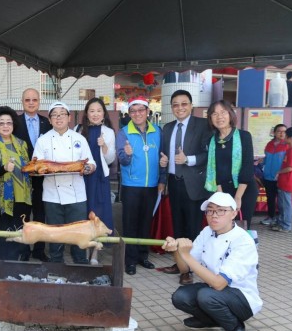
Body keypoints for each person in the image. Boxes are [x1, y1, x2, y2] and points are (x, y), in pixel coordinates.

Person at [163, 192, 262, 331]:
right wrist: (177, 251)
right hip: (215, 291)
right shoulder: (207, 232)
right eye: (210, 211)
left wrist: (186, 255)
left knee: (206, 296)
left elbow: (218, 283)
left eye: (220, 211)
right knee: (180, 297)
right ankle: (211, 320)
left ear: (234, 213)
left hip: (242, 297)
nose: (214, 216)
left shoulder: (243, 241)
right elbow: (184, 269)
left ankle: (236, 328)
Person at [159, 90, 213, 285]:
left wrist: (188, 159)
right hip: (174, 182)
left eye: (184, 104)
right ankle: (179, 263)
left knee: (192, 227)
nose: (180, 108)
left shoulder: (203, 125)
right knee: (178, 225)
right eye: (175, 104)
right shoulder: (167, 128)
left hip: (194, 184)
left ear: (191, 105)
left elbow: (209, 154)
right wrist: (163, 163)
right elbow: (163, 154)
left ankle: (189, 269)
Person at [33, 101, 96, 264]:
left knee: (78, 230)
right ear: (49, 119)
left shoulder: (79, 139)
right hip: (52, 195)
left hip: (77, 194)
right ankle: (56, 261)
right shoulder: (43, 141)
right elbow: (37, 166)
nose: (58, 117)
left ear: (69, 118)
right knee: (55, 232)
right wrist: (40, 169)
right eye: (54, 114)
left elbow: (91, 163)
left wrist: (88, 168)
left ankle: (80, 259)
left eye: (62, 114)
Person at [116, 97, 163, 275]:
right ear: (129, 114)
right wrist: (127, 155)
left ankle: (143, 256)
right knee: (130, 224)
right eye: (133, 111)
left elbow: (162, 158)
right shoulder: (123, 133)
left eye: (141, 110)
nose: (137, 114)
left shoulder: (157, 131)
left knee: (146, 222)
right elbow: (122, 160)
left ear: (147, 112)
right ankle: (130, 260)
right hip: (131, 186)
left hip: (151, 185)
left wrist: (162, 181)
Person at [0, 106, 32, 260]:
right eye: (1, 123)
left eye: (9, 123)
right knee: (6, 231)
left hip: (23, 195)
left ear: (14, 125)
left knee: (22, 229)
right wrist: (4, 168)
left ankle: (22, 262)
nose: (6, 126)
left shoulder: (22, 144)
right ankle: (5, 264)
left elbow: (28, 167)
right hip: (3, 198)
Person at [204, 100, 259, 230]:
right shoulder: (211, 141)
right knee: (222, 228)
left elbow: (247, 168)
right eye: (215, 114)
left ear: (230, 115)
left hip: (244, 191)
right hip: (221, 191)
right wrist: (220, 195)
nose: (219, 117)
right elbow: (213, 170)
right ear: (211, 118)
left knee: (241, 228)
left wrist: (237, 197)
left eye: (223, 112)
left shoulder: (244, 136)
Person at [13, 88, 53, 261]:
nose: (31, 102)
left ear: (39, 102)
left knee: (40, 214)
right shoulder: (14, 122)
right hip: (21, 177)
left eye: (34, 100)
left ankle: (39, 250)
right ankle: (22, 251)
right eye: (27, 99)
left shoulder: (48, 123)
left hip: (42, 178)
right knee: (22, 213)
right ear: (22, 102)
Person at [78, 97, 116, 232]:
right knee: (83, 208)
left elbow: (110, 159)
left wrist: (104, 146)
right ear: (87, 113)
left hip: (99, 176)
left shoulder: (109, 132)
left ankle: (97, 244)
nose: (95, 114)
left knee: (99, 209)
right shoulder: (79, 130)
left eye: (99, 111)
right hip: (82, 177)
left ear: (104, 113)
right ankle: (83, 243)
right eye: (92, 111)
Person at [271, 127, 292, 233]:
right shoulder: (290, 149)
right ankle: (281, 222)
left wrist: (278, 172)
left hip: (288, 182)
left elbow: (290, 168)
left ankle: (286, 225)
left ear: (290, 138)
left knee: (285, 205)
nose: (283, 136)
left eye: (286, 135)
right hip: (284, 181)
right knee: (282, 204)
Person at [258, 124, 288, 226]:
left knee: (281, 200)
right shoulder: (269, 144)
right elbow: (267, 158)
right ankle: (271, 217)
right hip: (268, 176)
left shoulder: (287, 146)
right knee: (270, 198)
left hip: (280, 177)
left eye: (284, 131)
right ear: (274, 133)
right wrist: (262, 161)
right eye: (279, 131)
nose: (282, 133)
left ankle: (281, 219)